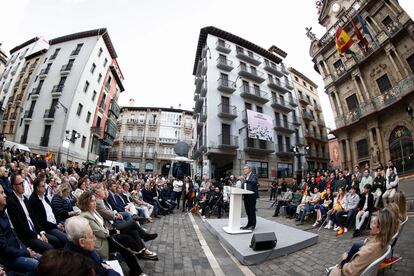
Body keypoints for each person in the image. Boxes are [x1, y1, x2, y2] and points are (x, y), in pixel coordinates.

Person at [77, 190, 152, 276]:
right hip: (101, 242)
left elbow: (103, 226)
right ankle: (140, 253)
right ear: (85, 203)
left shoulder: (93, 211)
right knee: (126, 239)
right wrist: (116, 231)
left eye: (94, 200)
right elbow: (101, 233)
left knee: (127, 242)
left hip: (107, 236)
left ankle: (137, 268)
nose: (95, 203)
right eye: (92, 201)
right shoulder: (86, 215)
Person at [328, 208, 396, 276]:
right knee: (356, 246)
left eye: (374, 223)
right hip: (363, 269)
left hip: (348, 273)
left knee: (331, 271)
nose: (371, 225)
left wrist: (344, 261)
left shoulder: (368, 250)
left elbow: (350, 272)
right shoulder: (384, 242)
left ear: (379, 230)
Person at [6, 173, 56, 253]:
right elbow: (20, 227)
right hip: (27, 236)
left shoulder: (25, 198)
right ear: (14, 186)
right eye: (20, 183)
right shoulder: (11, 202)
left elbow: (33, 218)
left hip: (35, 231)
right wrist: (37, 236)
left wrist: (41, 232)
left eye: (23, 182)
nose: (23, 185)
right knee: (50, 248)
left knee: (55, 241)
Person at [0, 185, 40, 274]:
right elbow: (5, 249)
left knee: (44, 259)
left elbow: (14, 235)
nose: (5, 195)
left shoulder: (3, 213)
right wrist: (26, 252)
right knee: (38, 265)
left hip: (19, 250)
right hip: (10, 258)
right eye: (1, 193)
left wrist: (25, 249)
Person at [28, 178, 68, 247]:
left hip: (55, 223)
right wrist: (56, 226)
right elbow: (41, 221)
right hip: (48, 227)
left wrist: (58, 222)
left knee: (71, 231)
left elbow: (53, 211)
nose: (45, 188)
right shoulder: (33, 200)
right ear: (37, 188)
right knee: (66, 238)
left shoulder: (44, 197)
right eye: (43, 186)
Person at [241, 165, 258, 230]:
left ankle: (253, 225)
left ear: (249, 169)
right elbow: (244, 185)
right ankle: (248, 224)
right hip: (246, 196)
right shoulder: (246, 177)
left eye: (246, 168)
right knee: (248, 211)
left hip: (252, 196)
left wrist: (245, 180)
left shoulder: (253, 175)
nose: (244, 170)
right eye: (244, 169)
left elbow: (254, 182)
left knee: (252, 211)